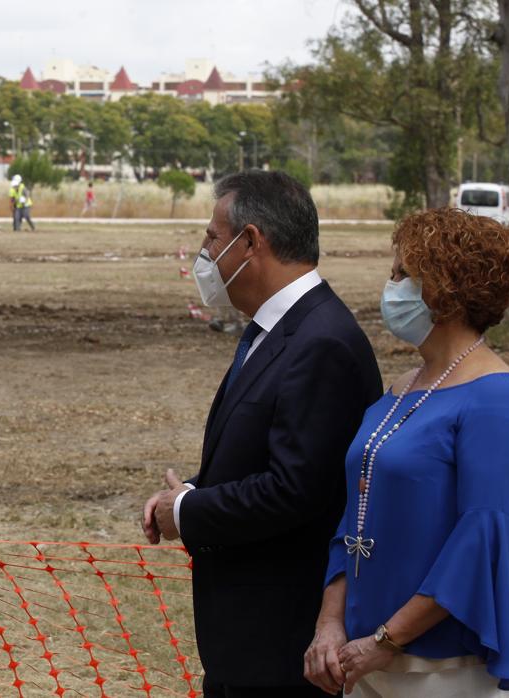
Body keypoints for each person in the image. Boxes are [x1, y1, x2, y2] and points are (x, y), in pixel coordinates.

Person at [141, 170, 382, 697]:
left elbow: (294, 489)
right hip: (243, 639)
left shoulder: (322, 343)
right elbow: (261, 454)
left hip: (282, 645)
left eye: (211, 237)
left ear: (251, 242)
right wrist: (192, 490)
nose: (204, 253)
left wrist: (186, 513)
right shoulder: (272, 328)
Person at [304, 209, 509, 697]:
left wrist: (390, 638)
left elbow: (482, 537)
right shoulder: (400, 389)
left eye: (403, 273)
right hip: (361, 656)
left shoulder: (497, 398)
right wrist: (330, 622)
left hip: (440, 669)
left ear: (444, 287)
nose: (391, 286)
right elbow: (354, 517)